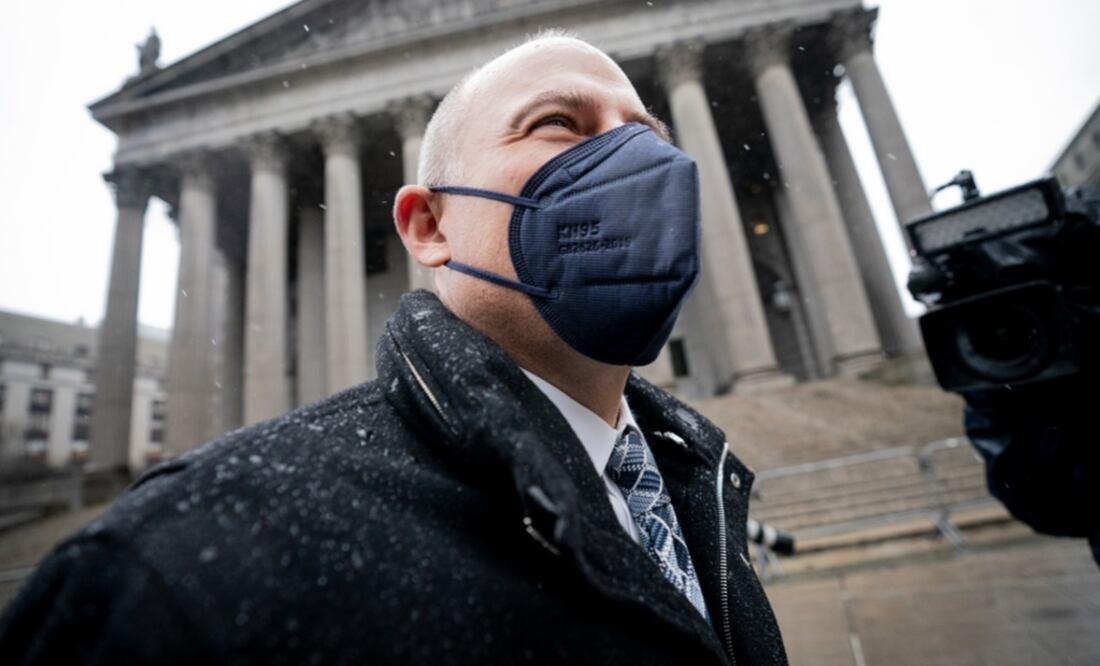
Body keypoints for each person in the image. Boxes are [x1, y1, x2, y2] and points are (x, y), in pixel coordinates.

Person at [0, 32, 787, 665]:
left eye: (646, 134)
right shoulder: (185, 566)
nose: (636, 163)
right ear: (429, 227)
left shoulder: (697, 488)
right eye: (560, 123)